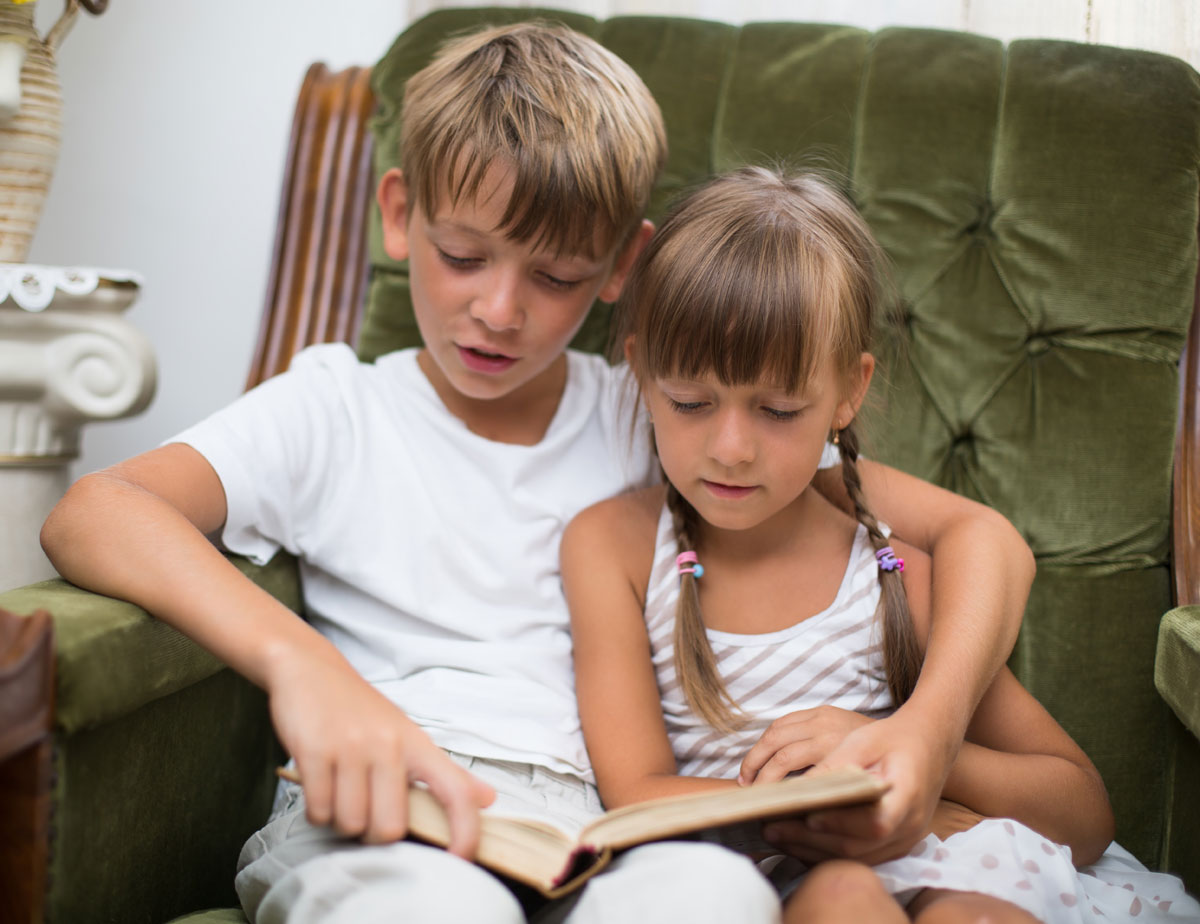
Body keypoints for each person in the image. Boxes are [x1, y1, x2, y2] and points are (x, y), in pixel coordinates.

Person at [44, 21, 1030, 924]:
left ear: (618, 270)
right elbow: (98, 510)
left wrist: (932, 731)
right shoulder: (336, 410)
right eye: (463, 255)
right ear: (400, 214)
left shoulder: (669, 412)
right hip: (397, 813)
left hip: (607, 836)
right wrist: (303, 669)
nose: (500, 311)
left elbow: (976, 536)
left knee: (718, 897)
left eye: (555, 276)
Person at [561, 165, 1200, 923]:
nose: (731, 448)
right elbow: (636, 790)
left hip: (953, 857)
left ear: (847, 393)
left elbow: (1083, 814)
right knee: (840, 896)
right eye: (691, 403)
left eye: (777, 409)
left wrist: (904, 752)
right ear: (639, 372)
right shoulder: (618, 548)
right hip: (762, 883)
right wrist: (816, 812)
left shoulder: (893, 574)